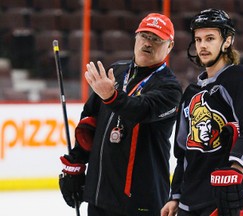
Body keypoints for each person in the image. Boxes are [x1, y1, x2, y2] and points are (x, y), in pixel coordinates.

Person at [59, 13, 182, 216]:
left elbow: (140, 109)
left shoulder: (170, 88)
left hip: (141, 202)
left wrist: (111, 96)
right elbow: (90, 121)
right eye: (144, 36)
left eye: (157, 39)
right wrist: (76, 162)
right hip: (100, 195)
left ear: (169, 46)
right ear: (135, 38)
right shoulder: (116, 72)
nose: (148, 43)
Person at [161, 8, 243, 216]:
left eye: (210, 38)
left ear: (227, 41)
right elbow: (183, 151)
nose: (202, 45)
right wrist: (175, 195)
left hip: (227, 197)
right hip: (189, 202)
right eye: (198, 39)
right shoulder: (191, 93)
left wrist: (236, 169)